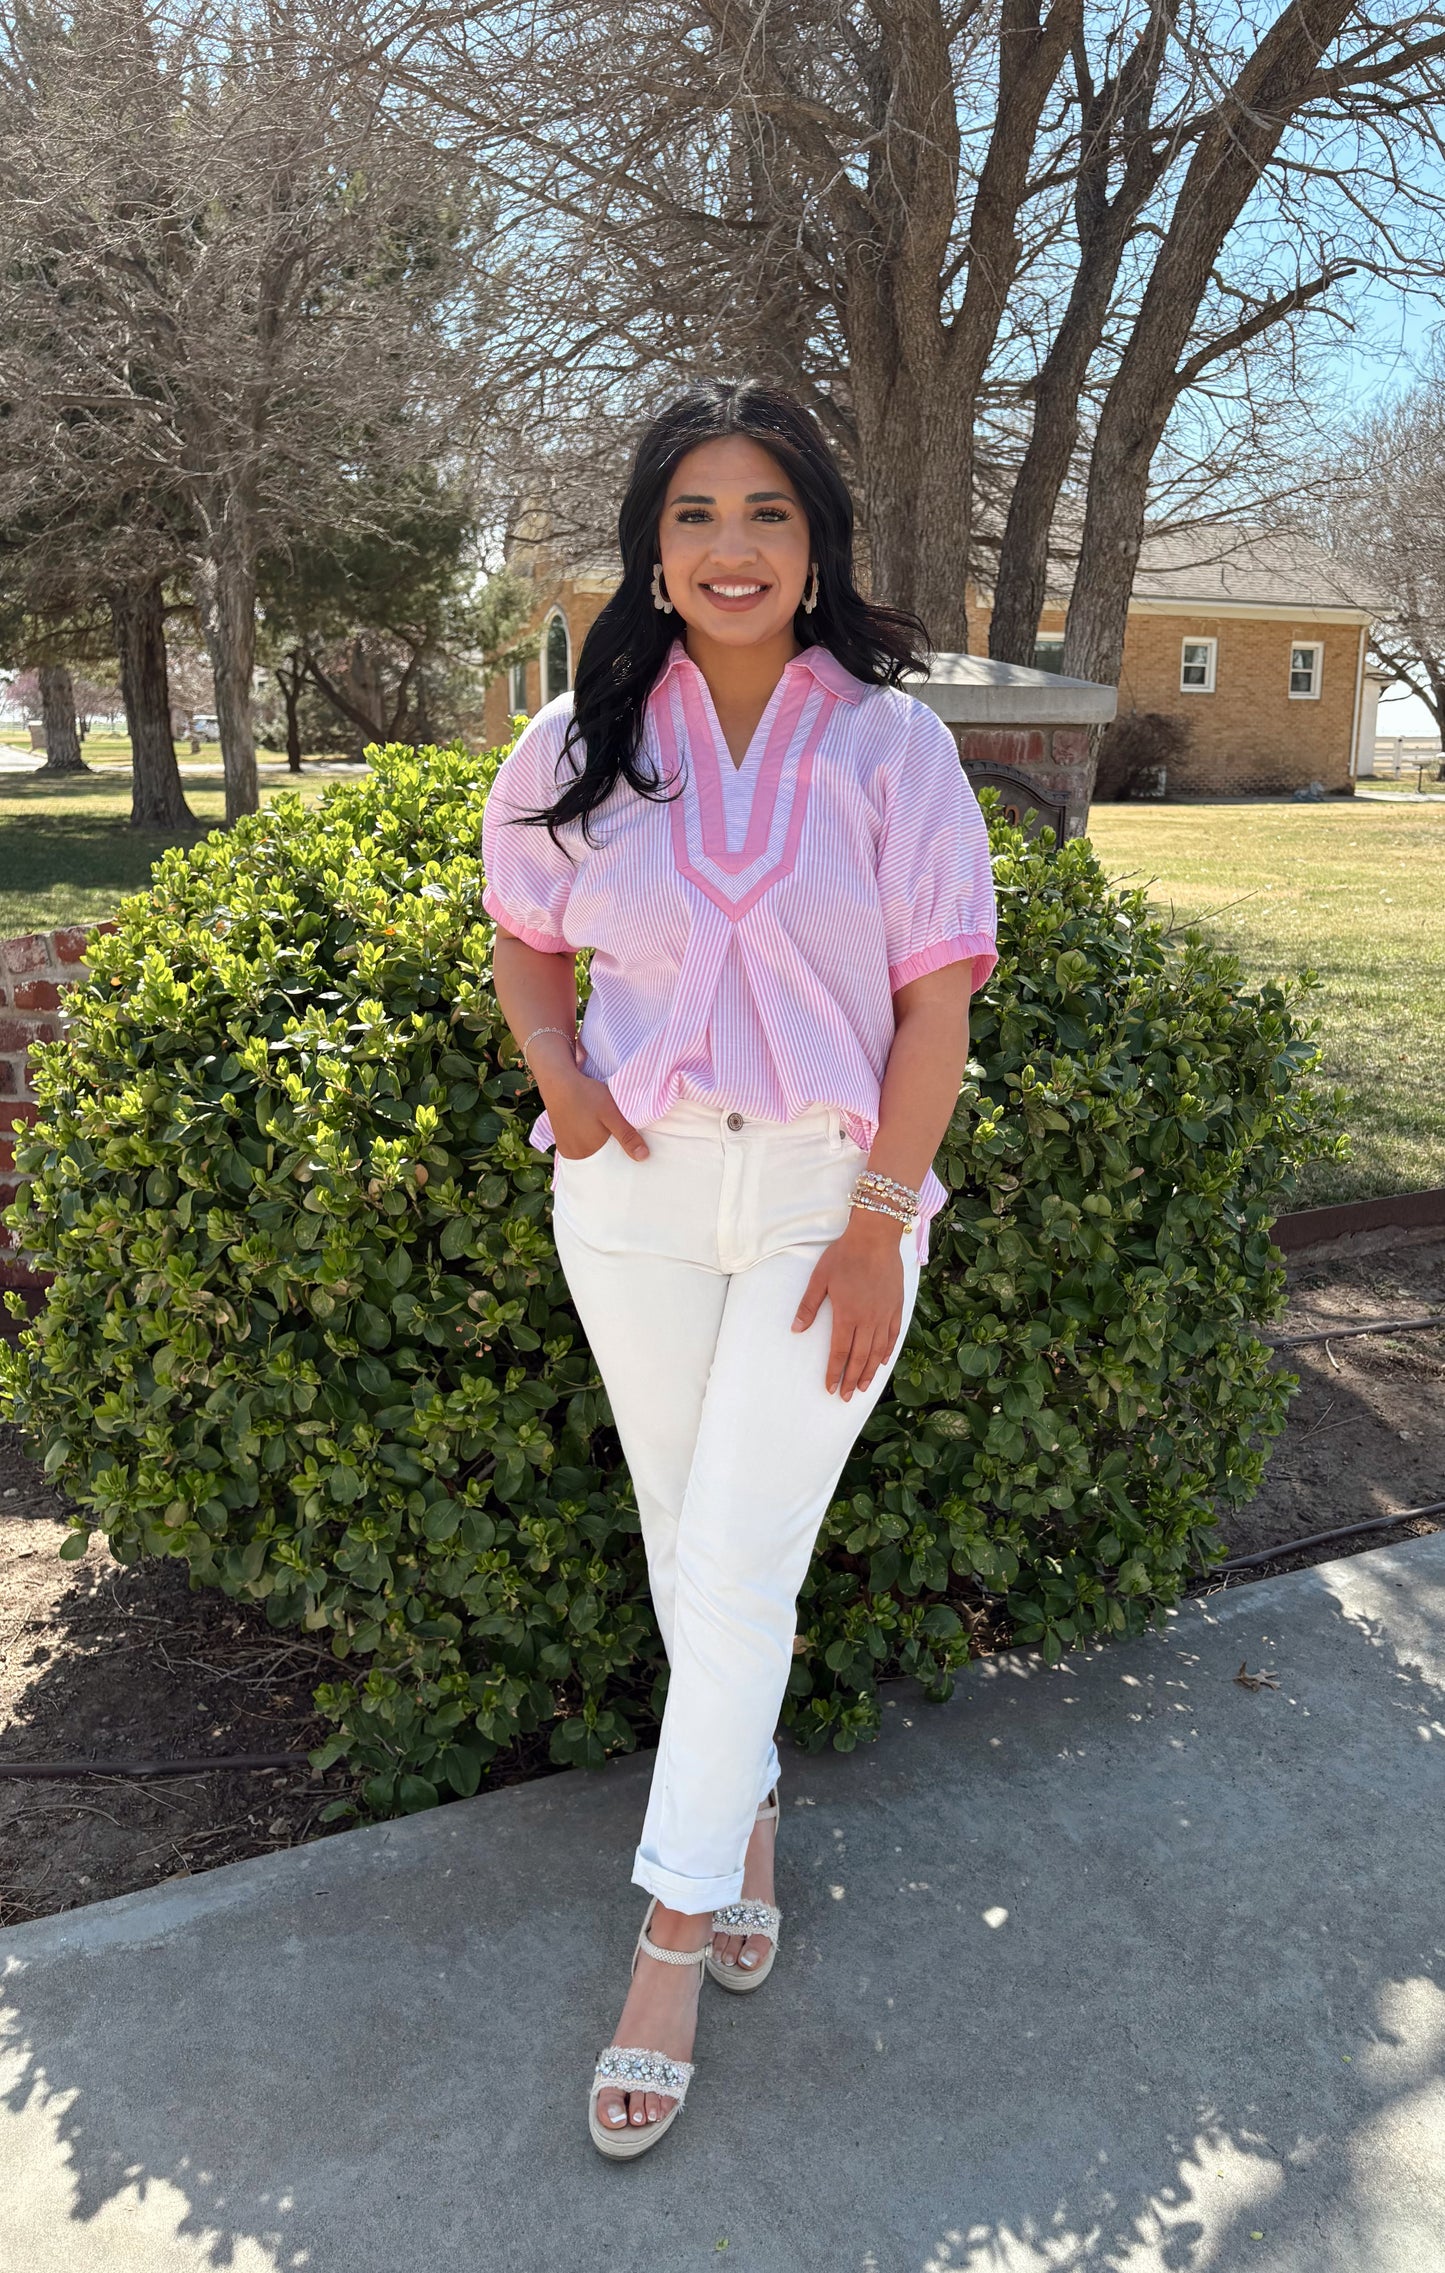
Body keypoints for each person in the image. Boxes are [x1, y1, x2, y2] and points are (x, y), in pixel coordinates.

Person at [482, 380, 997, 2159]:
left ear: (814, 542)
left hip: (817, 1196)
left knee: (739, 1543)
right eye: (694, 512)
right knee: (682, 1531)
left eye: (765, 512)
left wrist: (877, 1215)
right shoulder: (574, 738)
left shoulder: (890, 747)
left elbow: (932, 1002)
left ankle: (672, 1933)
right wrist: (566, 1087)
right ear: (652, 543)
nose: (728, 546)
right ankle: (746, 1812)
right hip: (627, 1196)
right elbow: (523, 935)